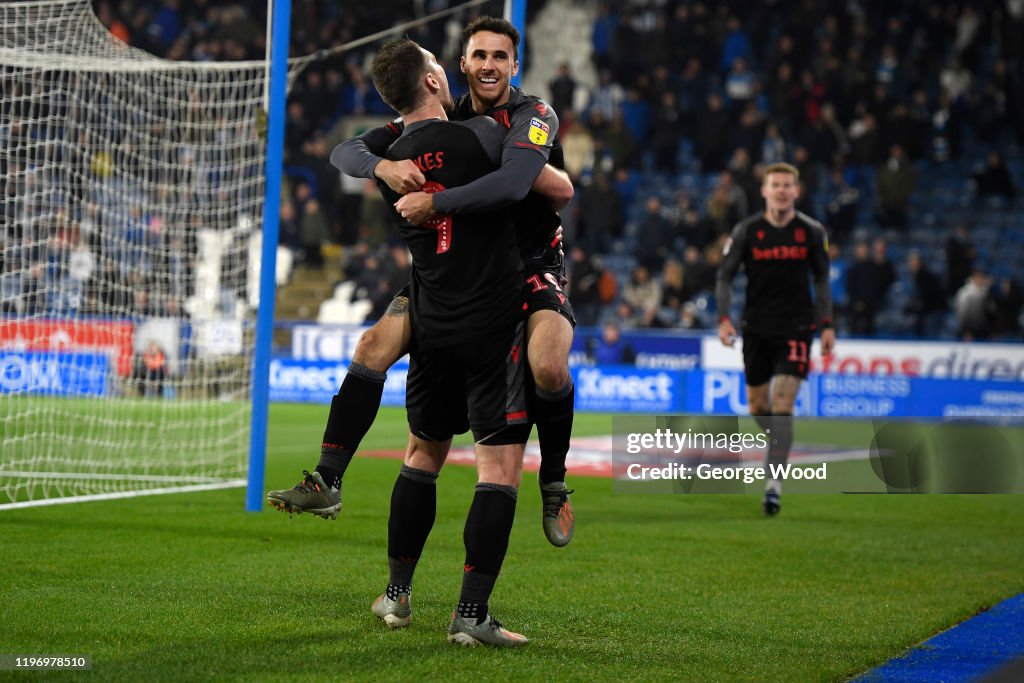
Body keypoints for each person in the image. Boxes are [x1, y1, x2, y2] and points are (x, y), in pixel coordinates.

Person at [270, 17, 578, 548]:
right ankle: (328, 477)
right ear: (461, 66)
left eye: (499, 57)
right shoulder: (448, 116)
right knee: (371, 344)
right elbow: (346, 151)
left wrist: (436, 200)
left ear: (514, 64)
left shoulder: (534, 115)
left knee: (548, 365)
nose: (488, 66)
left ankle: (554, 480)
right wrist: (384, 171)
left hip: (530, 263)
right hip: (460, 273)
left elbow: (515, 184)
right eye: (479, 56)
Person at [298, 38, 531, 647]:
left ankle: (395, 595)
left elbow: (342, 151)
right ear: (434, 80)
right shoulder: (487, 134)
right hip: (490, 316)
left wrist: (387, 170)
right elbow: (529, 184)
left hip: (430, 315)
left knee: (421, 454)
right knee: (499, 468)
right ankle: (472, 615)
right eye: (449, 64)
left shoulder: (392, 149)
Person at [715, 163, 835, 516]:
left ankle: (773, 486)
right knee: (757, 406)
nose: (781, 191)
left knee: (783, 404)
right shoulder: (747, 231)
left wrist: (826, 324)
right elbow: (724, 277)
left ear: (797, 191)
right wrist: (723, 319)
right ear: (764, 191)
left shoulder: (811, 232)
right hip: (756, 328)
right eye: (775, 185)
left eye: (787, 185)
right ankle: (780, 440)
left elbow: (822, 280)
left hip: (796, 328)